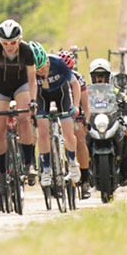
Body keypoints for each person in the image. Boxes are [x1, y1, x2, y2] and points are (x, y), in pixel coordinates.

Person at [0, 19, 39, 196]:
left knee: (24, 118)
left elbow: (32, 80)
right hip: (0, 88)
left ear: (19, 40)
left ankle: (28, 164)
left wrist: (33, 101)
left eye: (13, 42)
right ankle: (0, 174)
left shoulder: (26, 51)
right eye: (5, 43)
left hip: (21, 86)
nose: (9, 46)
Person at [30, 43, 81, 187]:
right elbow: (28, 90)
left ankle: (72, 162)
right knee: (43, 131)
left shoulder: (58, 63)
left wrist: (76, 106)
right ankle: (46, 169)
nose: (40, 72)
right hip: (42, 97)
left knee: (68, 131)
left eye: (42, 68)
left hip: (62, 94)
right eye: (37, 70)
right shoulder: (30, 70)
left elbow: (75, 84)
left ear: (47, 61)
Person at [88, 58, 127, 184]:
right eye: (97, 76)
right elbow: (80, 101)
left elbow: (125, 99)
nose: (100, 79)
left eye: (103, 76)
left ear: (108, 77)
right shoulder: (87, 91)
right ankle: (83, 171)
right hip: (93, 122)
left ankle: (124, 170)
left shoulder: (115, 90)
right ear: (92, 77)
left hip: (111, 120)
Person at [60, 49, 92, 198]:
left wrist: (87, 120)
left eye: (69, 69)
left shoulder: (78, 78)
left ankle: (85, 179)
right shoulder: (53, 75)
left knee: (79, 140)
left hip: (75, 112)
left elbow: (85, 104)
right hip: (59, 112)